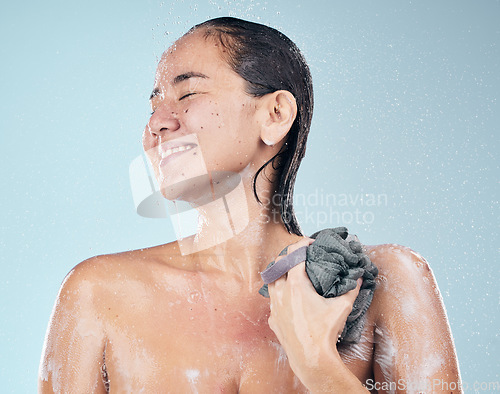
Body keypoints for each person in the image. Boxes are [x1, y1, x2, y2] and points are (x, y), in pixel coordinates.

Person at [38, 17, 461, 393]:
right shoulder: (99, 295)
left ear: (275, 114)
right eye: (153, 107)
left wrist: (317, 365)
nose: (157, 123)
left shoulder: (384, 284)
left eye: (188, 94)